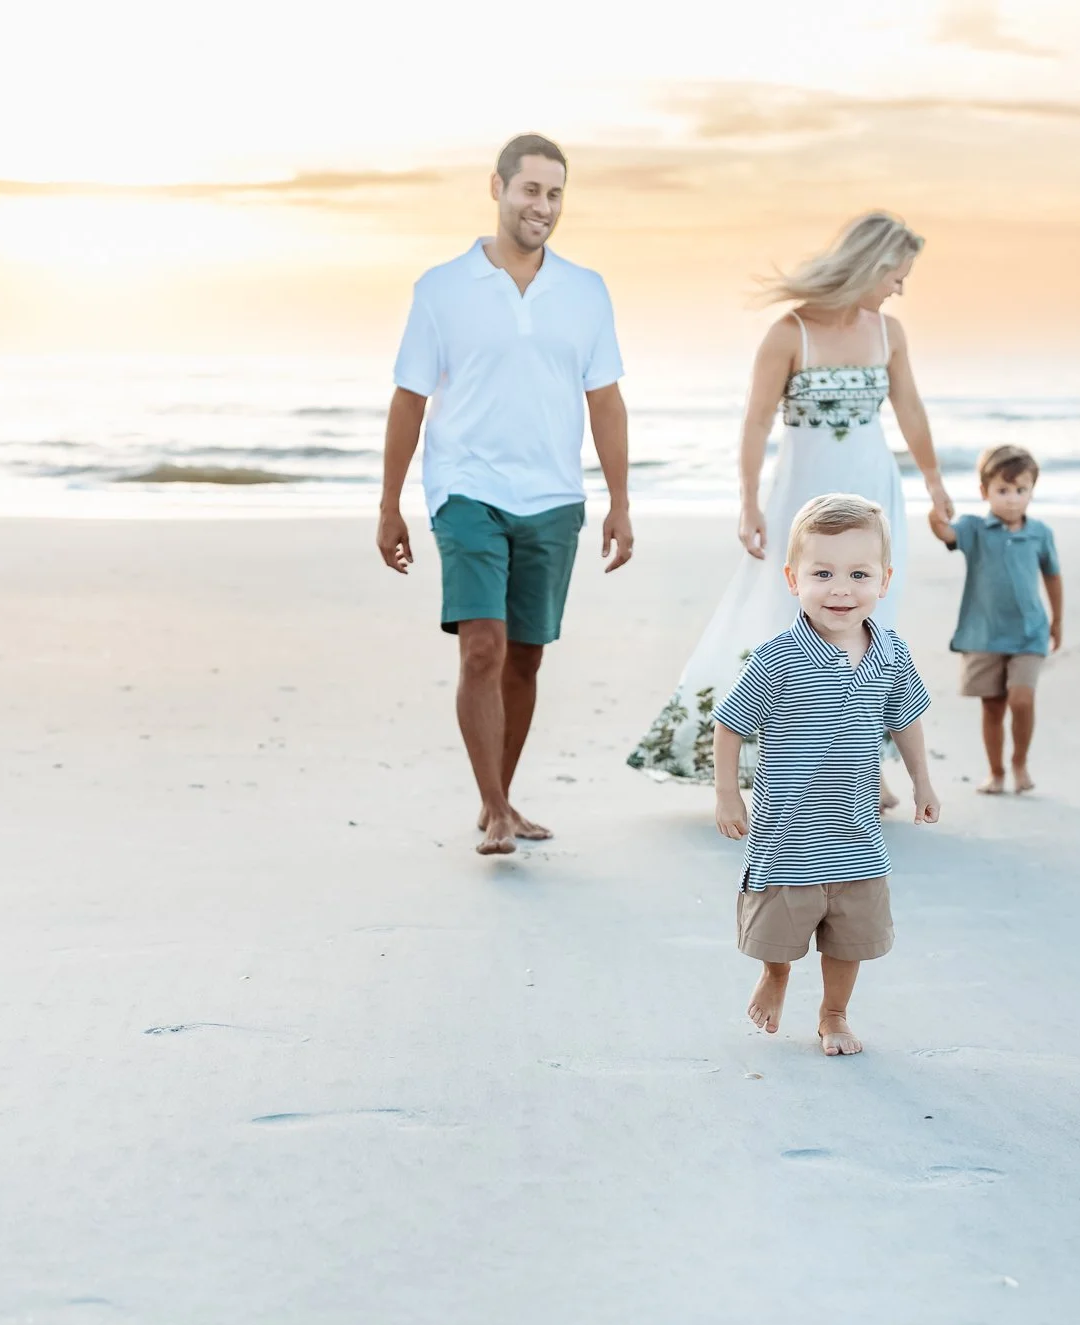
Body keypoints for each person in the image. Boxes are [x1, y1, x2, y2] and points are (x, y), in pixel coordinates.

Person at [627, 213, 953, 807]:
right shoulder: (789, 334)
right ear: (872, 266)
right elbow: (755, 422)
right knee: (790, 620)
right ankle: (776, 760)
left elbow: (910, 411)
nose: (900, 289)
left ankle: (866, 765)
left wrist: (935, 486)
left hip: (875, 495)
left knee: (871, 623)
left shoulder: (889, 333)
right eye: (897, 277)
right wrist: (749, 502)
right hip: (801, 498)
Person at [377, 134, 634, 855]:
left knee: (525, 656)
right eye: (530, 190)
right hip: (466, 488)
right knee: (482, 649)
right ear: (497, 188)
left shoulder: (585, 291)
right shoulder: (441, 289)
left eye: (554, 194)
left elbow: (605, 401)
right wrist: (390, 503)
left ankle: (502, 794)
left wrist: (619, 500)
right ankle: (494, 810)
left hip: (553, 495)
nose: (542, 206)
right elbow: (408, 399)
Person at [712, 494, 940, 1056]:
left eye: (859, 574)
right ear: (793, 579)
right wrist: (727, 795)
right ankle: (776, 975)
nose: (841, 589)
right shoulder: (777, 659)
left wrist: (922, 782)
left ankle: (834, 1013)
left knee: (850, 937)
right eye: (823, 574)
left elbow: (905, 720)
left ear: (885, 580)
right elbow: (730, 725)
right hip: (787, 836)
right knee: (779, 933)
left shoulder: (891, 653)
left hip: (857, 835)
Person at [927, 445, 1063, 795]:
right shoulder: (974, 528)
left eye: (1021, 490)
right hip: (984, 635)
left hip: (1029, 633)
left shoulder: (1040, 533)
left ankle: (1019, 762)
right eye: (1003, 490)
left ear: (1032, 491)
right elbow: (945, 532)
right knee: (992, 708)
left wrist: (1057, 621)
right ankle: (996, 771)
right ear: (984, 491)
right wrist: (936, 512)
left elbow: (1052, 576)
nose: (1013, 499)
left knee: (1022, 700)